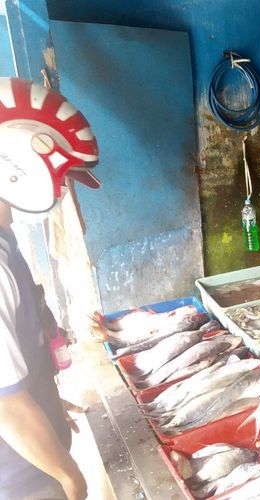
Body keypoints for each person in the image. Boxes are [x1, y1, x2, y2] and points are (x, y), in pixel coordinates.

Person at [0, 77, 100, 499]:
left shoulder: (6, 239)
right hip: (24, 479)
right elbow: (5, 404)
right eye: (61, 178)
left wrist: (51, 404)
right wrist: (70, 477)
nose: (63, 192)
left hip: (34, 458)